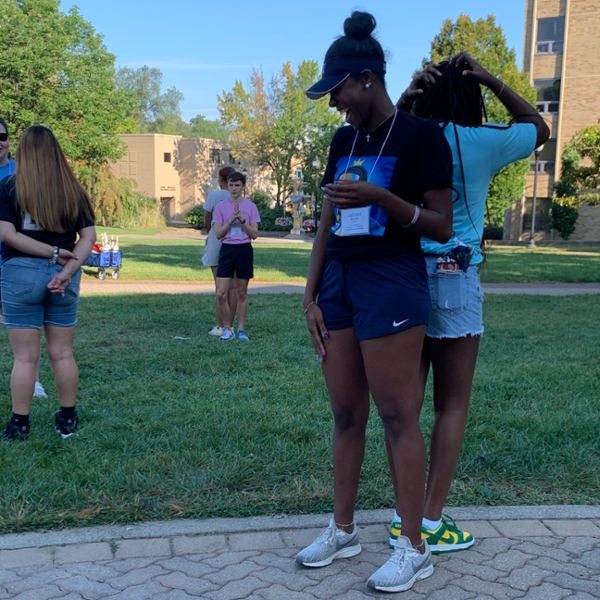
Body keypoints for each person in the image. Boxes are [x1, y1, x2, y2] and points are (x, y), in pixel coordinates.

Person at [295, 11, 453, 594]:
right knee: (344, 413)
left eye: (337, 93)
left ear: (366, 78)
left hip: (392, 280)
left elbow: (441, 224)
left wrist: (383, 197)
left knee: (396, 415)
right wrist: (309, 293)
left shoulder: (421, 137)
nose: (335, 106)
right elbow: (329, 221)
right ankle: (343, 530)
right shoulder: (343, 140)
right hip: (339, 280)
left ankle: (414, 547)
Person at [385, 53, 550, 553]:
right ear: (473, 96)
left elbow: (381, 138)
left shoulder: (409, 135)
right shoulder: (481, 142)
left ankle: (403, 517)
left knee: (404, 408)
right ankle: (432, 522)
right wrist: (493, 80)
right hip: (457, 274)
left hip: (406, 273)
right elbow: (537, 128)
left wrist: (409, 94)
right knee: (451, 403)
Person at [0, 125, 96, 440]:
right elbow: (89, 238)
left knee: (25, 357)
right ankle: (67, 419)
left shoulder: (9, 187)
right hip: (65, 278)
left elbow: (8, 235)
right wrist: (65, 268)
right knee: (63, 353)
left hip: (20, 274)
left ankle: (19, 425)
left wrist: (49, 253)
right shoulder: (74, 189)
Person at [0, 117, 47, 398]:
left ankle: (35, 381)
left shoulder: (22, 173)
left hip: (16, 263)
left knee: (28, 326)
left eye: (2, 136)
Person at [213, 171, 260, 341]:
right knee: (221, 293)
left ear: (243, 186)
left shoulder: (250, 207)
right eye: (231, 185)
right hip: (227, 249)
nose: (234, 188)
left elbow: (254, 234)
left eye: (237, 185)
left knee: (241, 293)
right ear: (228, 186)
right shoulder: (221, 206)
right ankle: (227, 328)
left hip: (244, 250)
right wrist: (230, 220)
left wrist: (242, 220)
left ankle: (241, 329)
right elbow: (218, 233)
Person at [202, 166, 238, 337]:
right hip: (235, 242)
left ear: (221, 179)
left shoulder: (214, 197)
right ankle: (230, 325)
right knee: (232, 287)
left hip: (216, 241)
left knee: (219, 286)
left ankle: (220, 325)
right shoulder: (237, 197)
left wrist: (211, 233)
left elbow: (207, 221)